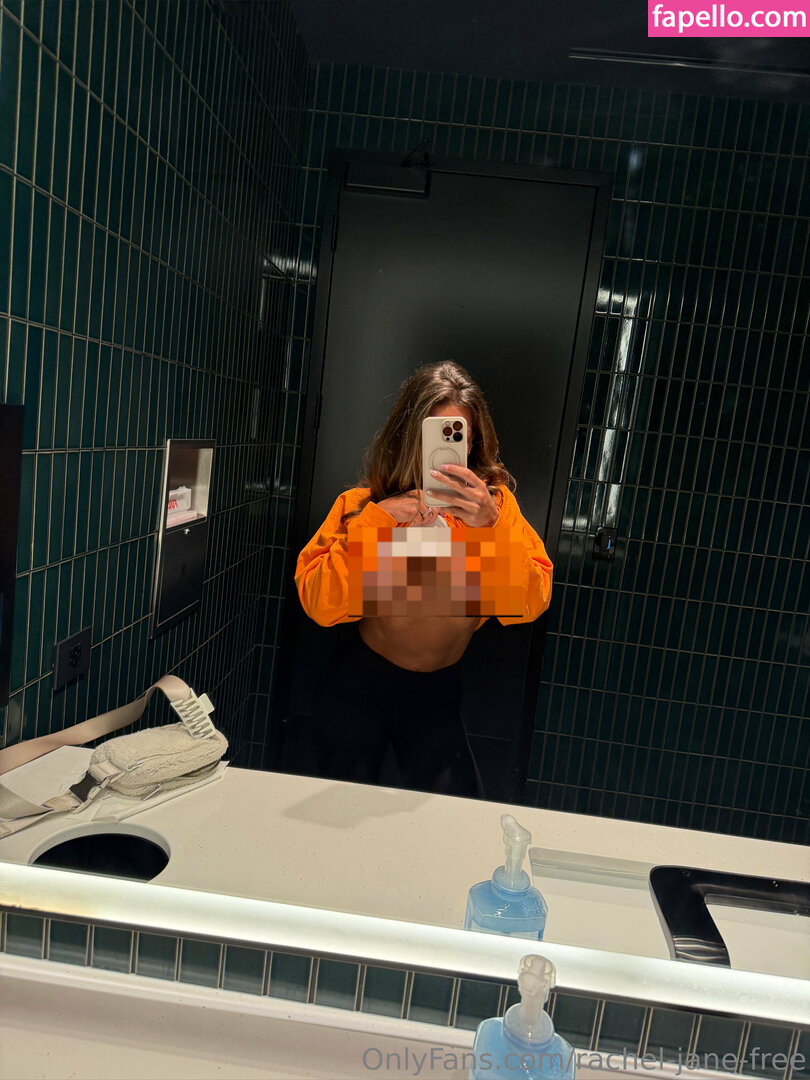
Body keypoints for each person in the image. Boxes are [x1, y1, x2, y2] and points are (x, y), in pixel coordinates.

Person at [294, 360, 553, 797]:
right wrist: (379, 521)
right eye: (434, 434)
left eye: (458, 436)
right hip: (359, 687)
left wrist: (489, 528)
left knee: (453, 818)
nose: (446, 449)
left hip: (437, 693)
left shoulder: (494, 511)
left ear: (473, 442)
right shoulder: (367, 505)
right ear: (408, 436)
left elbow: (527, 604)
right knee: (344, 817)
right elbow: (320, 603)